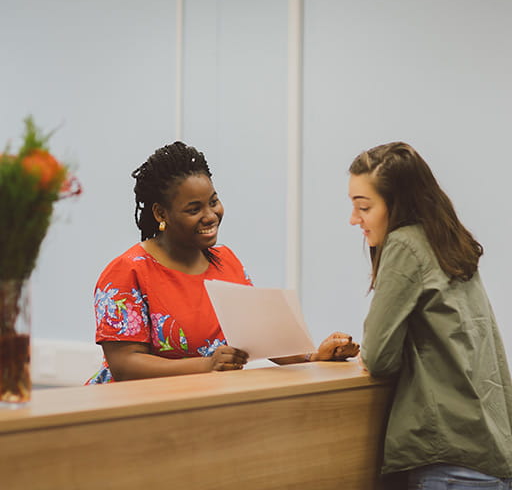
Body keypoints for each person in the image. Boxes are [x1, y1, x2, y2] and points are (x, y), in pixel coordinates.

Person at [86, 141, 359, 384]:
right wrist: (207, 365)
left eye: (213, 201)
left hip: (207, 406)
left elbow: (260, 336)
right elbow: (125, 365)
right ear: (161, 213)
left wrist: (314, 356)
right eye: (194, 209)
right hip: (133, 414)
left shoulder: (225, 261)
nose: (210, 215)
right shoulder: (127, 271)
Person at [348, 141, 512, 489]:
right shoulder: (448, 241)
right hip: (490, 452)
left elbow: (378, 356)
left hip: (449, 460)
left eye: (363, 207)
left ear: (398, 203)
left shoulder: (405, 244)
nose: (354, 219)